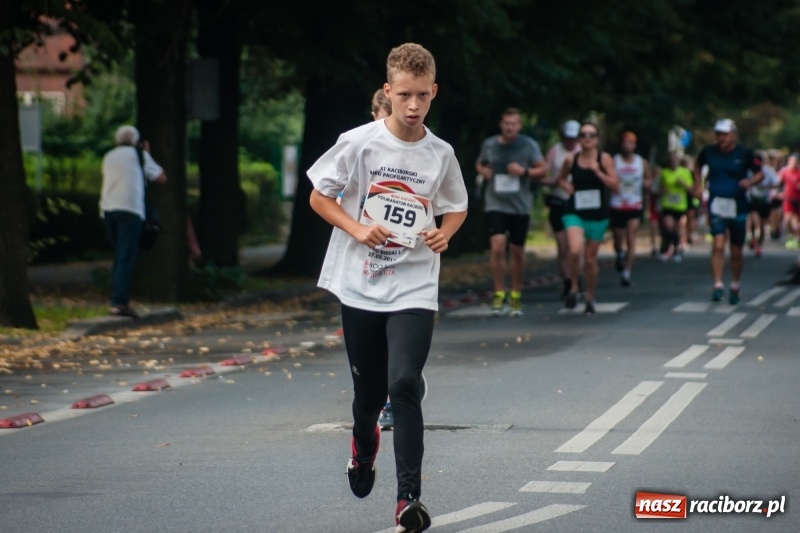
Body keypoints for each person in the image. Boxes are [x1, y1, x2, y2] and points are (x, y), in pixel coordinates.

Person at [308, 43, 468, 533]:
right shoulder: (358, 143)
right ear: (388, 92)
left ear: (434, 91)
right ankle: (363, 447)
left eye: (422, 95)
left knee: (403, 385)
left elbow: (456, 205)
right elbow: (319, 196)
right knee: (368, 395)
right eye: (404, 95)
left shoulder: (441, 154)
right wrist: (357, 229)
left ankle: (408, 500)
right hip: (361, 284)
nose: (414, 105)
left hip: (415, 285)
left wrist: (447, 231)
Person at [476, 108, 545, 316]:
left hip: (519, 205)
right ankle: (498, 292)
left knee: (517, 251)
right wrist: (483, 171)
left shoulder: (528, 145)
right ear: (501, 124)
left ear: (520, 125)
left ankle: (515, 293)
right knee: (497, 247)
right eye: (507, 123)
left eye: (514, 124)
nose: (510, 128)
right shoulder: (490, 144)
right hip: (495, 202)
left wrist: (524, 171)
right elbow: (479, 163)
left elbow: (542, 169)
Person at [693, 118, 763, 305]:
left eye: (724, 134)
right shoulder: (708, 151)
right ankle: (717, 285)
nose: (721, 138)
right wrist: (697, 185)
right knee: (718, 242)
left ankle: (735, 285)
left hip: (738, 204)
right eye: (718, 134)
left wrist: (750, 182)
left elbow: (759, 172)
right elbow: (697, 165)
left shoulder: (745, 153)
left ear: (733, 135)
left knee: (736, 249)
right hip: (717, 203)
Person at [100, 125, 166, 318]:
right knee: (127, 256)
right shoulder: (139, 155)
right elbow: (161, 177)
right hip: (130, 209)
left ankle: (117, 297)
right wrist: (146, 153)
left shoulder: (109, 156)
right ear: (136, 141)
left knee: (120, 254)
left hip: (109, 209)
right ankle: (119, 302)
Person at [557, 121, 619, 314]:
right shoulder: (571, 159)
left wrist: (597, 171)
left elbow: (614, 184)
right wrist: (568, 188)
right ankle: (574, 287)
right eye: (583, 135)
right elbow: (560, 179)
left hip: (597, 214)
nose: (587, 138)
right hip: (575, 211)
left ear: (597, 139)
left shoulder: (605, 159)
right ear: (579, 139)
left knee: (590, 259)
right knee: (575, 250)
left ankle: (590, 296)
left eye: (591, 135)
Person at [542, 120, 581, 297]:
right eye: (567, 138)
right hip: (558, 200)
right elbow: (543, 175)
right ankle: (567, 280)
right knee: (563, 245)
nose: (570, 142)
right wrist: (556, 181)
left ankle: (576, 278)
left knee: (576, 246)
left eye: (574, 138)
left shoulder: (583, 151)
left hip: (578, 202)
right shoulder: (555, 151)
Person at [610, 131, 652, 286]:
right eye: (625, 142)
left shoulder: (641, 162)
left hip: (634, 203)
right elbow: (609, 177)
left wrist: (646, 184)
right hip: (618, 203)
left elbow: (648, 178)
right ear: (621, 144)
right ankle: (620, 253)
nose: (627, 145)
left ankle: (627, 273)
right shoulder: (615, 161)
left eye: (630, 142)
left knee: (631, 236)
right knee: (618, 238)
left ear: (634, 145)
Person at [659, 152, 694, 262]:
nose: (674, 162)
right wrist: (662, 190)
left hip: (680, 205)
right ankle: (666, 248)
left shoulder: (685, 172)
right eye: (671, 160)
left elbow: (691, 189)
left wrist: (682, 183)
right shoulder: (664, 173)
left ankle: (676, 249)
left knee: (676, 229)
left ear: (679, 161)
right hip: (667, 204)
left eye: (675, 160)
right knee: (668, 227)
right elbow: (660, 188)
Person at [746, 150, 780, 257]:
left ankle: (758, 244)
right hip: (752, 199)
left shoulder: (768, 171)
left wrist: (766, 187)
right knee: (754, 220)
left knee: (761, 224)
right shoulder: (748, 170)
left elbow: (776, 183)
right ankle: (751, 237)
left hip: (764, 200)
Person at [778, 153, 800, 250]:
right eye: (791, 161)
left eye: (795, 161)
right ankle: (790, 237)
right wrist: (778, 193)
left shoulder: (799, 172)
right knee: (787, 220)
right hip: (788, 199)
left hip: (798, 200)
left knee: (796, 221)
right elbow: (777, 183)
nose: (792, 163)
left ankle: (796, 238)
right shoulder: (784, 172)